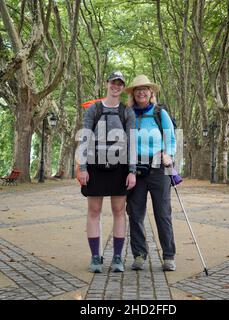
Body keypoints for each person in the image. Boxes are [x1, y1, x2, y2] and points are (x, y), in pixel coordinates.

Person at [78, 71, 137, 273]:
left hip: (119, 167)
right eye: (113, 82)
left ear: (122, 87)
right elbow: (85, 137)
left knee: (119, 211)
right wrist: (83, 167)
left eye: (120, 84)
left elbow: (132, 143)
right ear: (107, 84)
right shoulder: (93, 109)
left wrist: (132, 171)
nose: (116, 86)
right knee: (94, 211)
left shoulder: (126, 112)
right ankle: (96, 257)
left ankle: (118, 257)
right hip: (95, 166)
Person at [125, 74, 177, 271]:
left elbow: (171, 139)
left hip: (159, 168)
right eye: (138, 89)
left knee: (162, 213)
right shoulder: (128, 114)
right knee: (135, 214)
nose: (141, 92)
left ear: (151, 92)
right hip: (135, 169)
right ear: (133, 94)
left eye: (145, 89)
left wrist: (169, 155)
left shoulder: (159, 113)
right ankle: (139, 255)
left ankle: (169, 256)